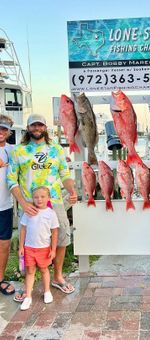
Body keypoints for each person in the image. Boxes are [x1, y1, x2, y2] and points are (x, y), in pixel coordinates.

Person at [7, 114, 78, 302]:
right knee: (27, 243)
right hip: (30, 203)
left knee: (62, 236)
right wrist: (23, 203)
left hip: (53, 201)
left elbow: (64, 173)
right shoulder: (19, 151)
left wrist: (71, 189)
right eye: (33, 125)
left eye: (40, 125)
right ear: (28, 128)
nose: (37, 128)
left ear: (45, 127)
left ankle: (57, 276)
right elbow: (11, 180)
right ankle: (27, 284)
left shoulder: (55, 149)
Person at [19, 186, 58, 310]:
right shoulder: (29, 212)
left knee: (44, 269)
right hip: (29, 247)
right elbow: (23, 229)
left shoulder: (51, 213)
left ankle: (47, 291)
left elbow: (55, 232)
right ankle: (28, 297)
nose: (39, 199)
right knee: (30, 271)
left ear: (48, 198)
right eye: (36, 197)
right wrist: (21, 246)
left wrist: (53, 249)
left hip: (44, 248)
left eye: (42, 196)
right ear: (32, 198)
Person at [0, 115, 15, 295]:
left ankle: (1, 279)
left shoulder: (13, 150)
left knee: (4, 244)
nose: (1, 132)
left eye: (4, 129)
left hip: (5, 205)